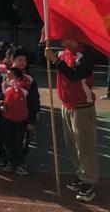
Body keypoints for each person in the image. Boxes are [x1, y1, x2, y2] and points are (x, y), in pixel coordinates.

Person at [46, 40, 98, 203]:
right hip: (66, 105)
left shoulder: (86, 55)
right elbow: (44, 60)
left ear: (76, 38)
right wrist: (43, 42)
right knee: (72, 145)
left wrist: (55, 60)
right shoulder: (63, 54)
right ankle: (81, 175)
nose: (61, 39)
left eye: (66, 36)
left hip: (82, 106)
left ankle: (89, 181)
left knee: (85, 146)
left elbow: (75, 75)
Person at [0, 67, 29, 176]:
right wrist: (1, 106)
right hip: (7, 119)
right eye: (7, 75)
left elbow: (25, 97)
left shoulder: (23, 88)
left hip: (20, 120)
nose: (8, 77)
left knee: (18, 142)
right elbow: (2, 101)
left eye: (10, 75)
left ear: (17, 77)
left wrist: (16, 87)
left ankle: (19, 164)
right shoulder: (6, 88)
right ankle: (10, 162)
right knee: (8, 141)